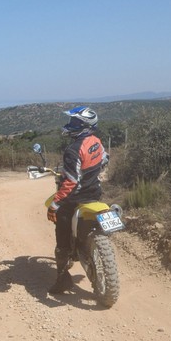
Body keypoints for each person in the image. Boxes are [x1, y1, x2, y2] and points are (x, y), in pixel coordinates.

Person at [46, 106, 108, 294]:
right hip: (95, 193)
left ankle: (63, 279)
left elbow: (71, 182)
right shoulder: (96, 142)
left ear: (85, 126)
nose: (70, 125)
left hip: (76, 198)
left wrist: (55, 204)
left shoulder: (73, 150)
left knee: (61, 231)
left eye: (75, 122)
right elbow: (104, 160)